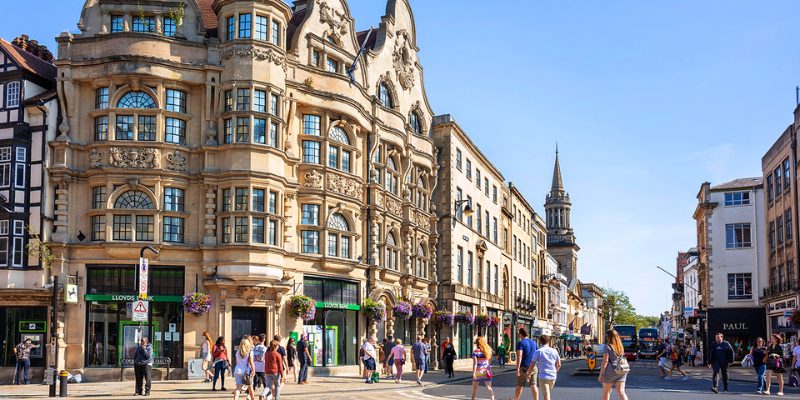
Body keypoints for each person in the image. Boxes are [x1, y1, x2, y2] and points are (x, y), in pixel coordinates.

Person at [598, 329, 629, 400]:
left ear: (608, 337)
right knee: (621, 392)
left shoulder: (607, 346)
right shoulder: (620, 346)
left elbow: (605, 361)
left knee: (607, 392)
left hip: (610, 371)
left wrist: (600, 374)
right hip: (621, 370)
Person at [529, 335, 561, 400]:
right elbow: (559, 364)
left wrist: (528, 373)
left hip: (543, 376)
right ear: (549, 341)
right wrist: (555, 371)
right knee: (547, 393)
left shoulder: (538, 351)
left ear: (540, 342)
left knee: (546, 396)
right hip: (553, 376)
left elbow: (532, 364)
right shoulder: (554, 351)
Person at [513, 327, 538, 400]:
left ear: (520, 334)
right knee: (533, 385)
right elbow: (537, 354)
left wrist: (517, 369)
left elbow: (519, 355)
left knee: (520, 385)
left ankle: (516, 399)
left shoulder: (521, 343)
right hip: (533, 366)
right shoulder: (534, 342)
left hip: (524, 367)